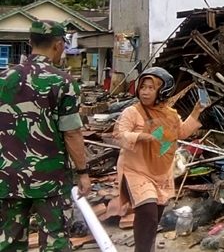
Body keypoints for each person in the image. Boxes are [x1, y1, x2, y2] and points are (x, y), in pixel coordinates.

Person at [0, 20, 90, 251]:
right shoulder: (63, 82)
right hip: (50, 179)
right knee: (55, 241)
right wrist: (83, 172)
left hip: (7, 177)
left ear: (30, 42)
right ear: (59, 45)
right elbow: (71, 133)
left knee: (8, 241)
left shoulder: (3, 79)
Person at [112, 67, 203, 251]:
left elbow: (182, 133)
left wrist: (196, 112)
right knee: (148, 213)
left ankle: (147, 247)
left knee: (154, 218)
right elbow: (118, 134)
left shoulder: (170, 114)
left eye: (151, 88)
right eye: (143, 87)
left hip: (161, 172)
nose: (145, 92)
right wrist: (140, 137)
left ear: (163, 91)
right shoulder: (132, 112)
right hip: (136, 170)